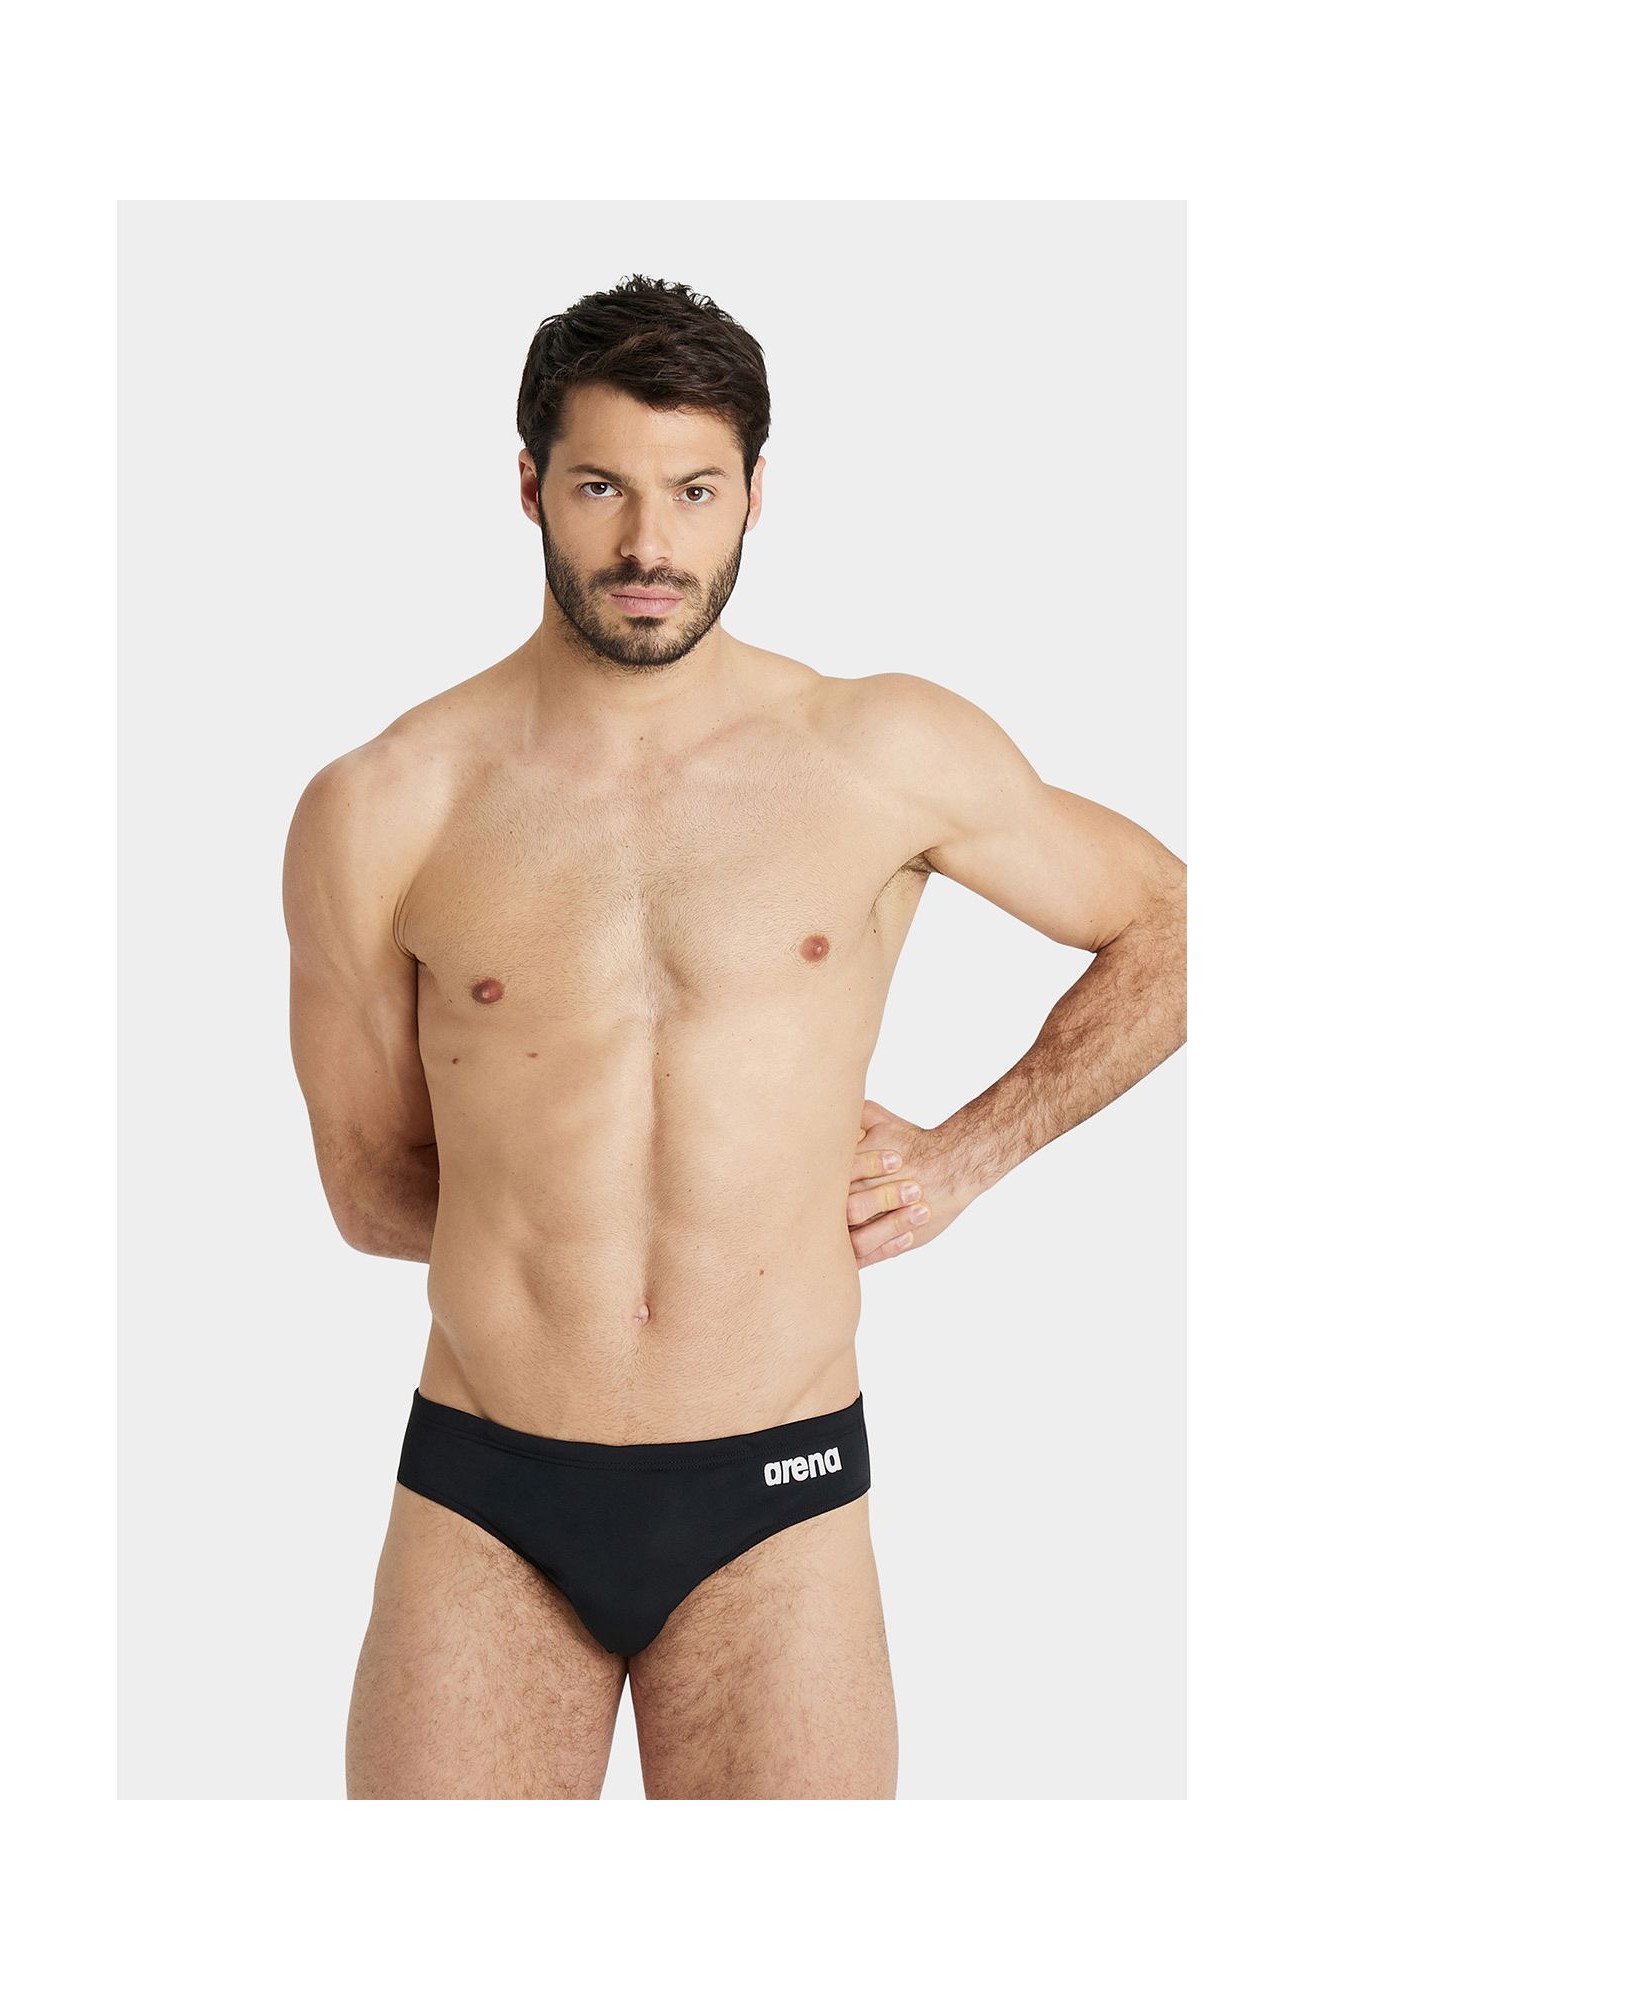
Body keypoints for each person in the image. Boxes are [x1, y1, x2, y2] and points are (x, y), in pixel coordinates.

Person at [282, 274, 1186, 1798]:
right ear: (529, 487)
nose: (650, 543)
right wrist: (572, 1212)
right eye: (603, 488)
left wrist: (970, 1155)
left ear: (756, 494)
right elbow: (370, 1188)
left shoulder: (882, 750)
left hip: (779, 1491)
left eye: (694, 491)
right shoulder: (384, 805)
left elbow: (1174, 925)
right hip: (487, 1491)